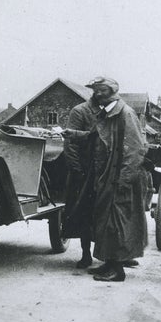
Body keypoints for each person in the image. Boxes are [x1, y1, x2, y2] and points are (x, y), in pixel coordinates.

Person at [63, 76, 147, 282]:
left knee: (116, 222)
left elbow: (135, 149)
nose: (96, 94)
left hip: (118, 177)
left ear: (111, 92)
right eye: (95, 90)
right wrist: (72, 134)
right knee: (105, 221)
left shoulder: (125, 114)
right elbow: (94, 137)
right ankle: (109, 263)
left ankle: (117, 270)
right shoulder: (107, 114)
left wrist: (124, 181)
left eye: (100, 90)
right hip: (105, 176)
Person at [62, 81, 101, 268]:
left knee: (104, 215)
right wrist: (77, 171)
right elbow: (70, 144)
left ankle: (111, 255)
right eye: (99, 92)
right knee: (84, 215)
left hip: (102, 173)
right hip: (84, 173)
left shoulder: (107, 113)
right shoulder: (80, 111)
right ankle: (86, 255)